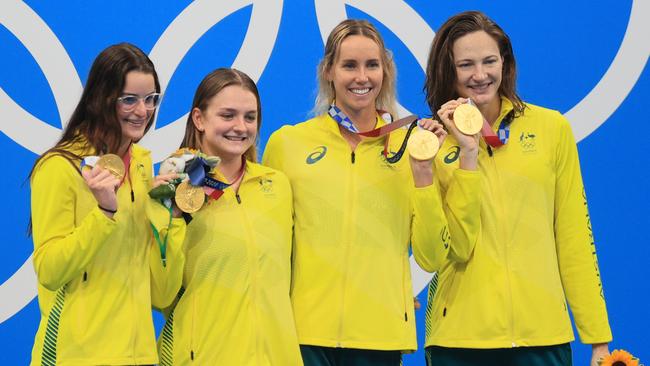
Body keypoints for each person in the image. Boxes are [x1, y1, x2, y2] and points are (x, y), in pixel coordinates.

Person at [263, 19, 480, 366]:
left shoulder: (414, 145)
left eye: (372, 65)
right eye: (349, 65)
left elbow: (432, 256)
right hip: (304, 336)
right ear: (328, 71)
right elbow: (269, 246)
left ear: (386, 72)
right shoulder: (288, 144)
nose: (361, 77)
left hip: (380, 337)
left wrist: (423, 173)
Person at [423, 10, 612, 366]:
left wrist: (598, 338)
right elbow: (444, 246)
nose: (480, 75)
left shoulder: (551, 129)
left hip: (543, 337)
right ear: (448, 71)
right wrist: (465, 150)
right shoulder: (430, 142)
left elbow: (574, 236)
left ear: (505, 63)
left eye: (489, 61)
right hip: (460, 341)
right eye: (466, 65)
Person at [29, 43, 186, 365]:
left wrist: (168, 219)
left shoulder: (142, 165)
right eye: (129, 99)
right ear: (100, 99)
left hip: (139, 354)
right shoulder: (60, 166)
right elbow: (49, 270)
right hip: (78, 355)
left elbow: (161, 294)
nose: (142, 111)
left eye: (150, 99)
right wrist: (103, 213)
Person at [153, 68, 302, 365]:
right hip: (203, 357)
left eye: (250, 117)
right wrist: (175, 216)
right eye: (227, 115)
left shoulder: (277, 184)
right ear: (199, 119)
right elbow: (160, 293)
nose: (240, 126)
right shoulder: (172, 189)